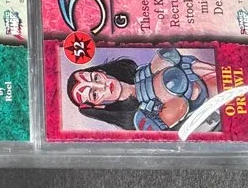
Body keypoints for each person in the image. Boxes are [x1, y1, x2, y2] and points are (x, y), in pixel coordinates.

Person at [66, 48, 219, 133]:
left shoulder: (142, 72)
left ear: (102, 72)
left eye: (96, 78)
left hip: (210, 82)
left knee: (184, 65)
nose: (103, 86)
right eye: (94, 93)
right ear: (98, 106)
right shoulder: (139, 118)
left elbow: (170, 55)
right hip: (208, 113)